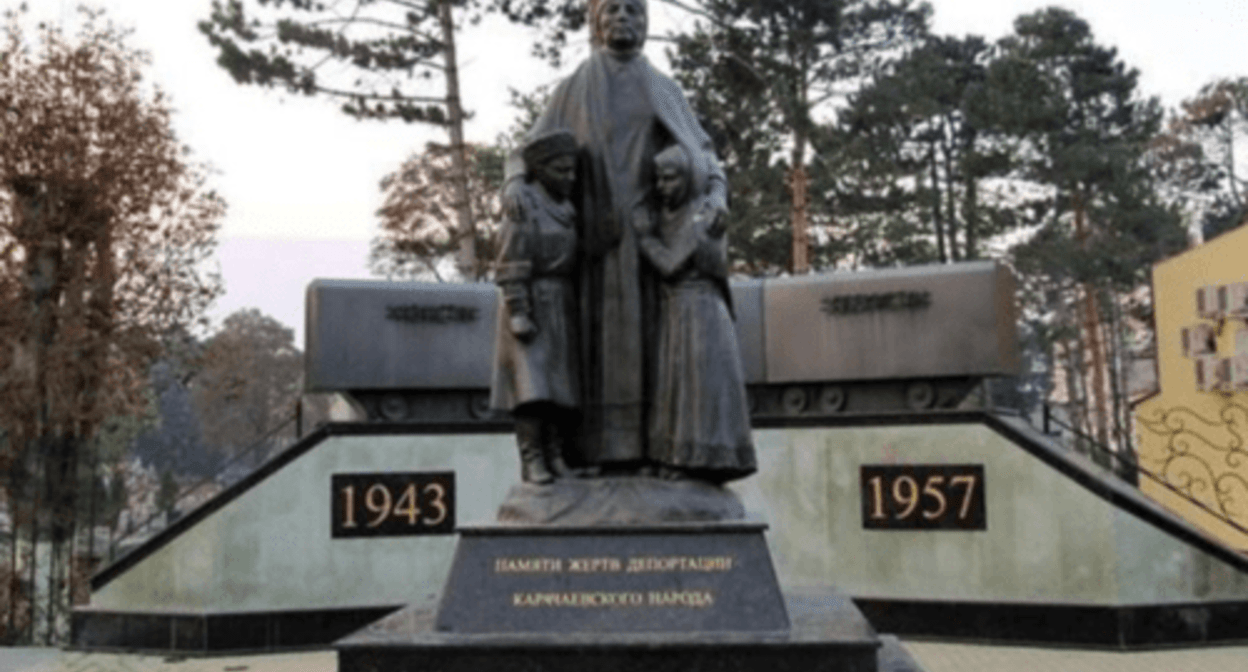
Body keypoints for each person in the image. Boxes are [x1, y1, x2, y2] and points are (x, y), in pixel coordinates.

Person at [502, 0, 728, 471]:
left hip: (649, 246)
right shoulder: (574, 87)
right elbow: (527, 151)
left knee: (652, 353)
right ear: (596, 22)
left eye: (633, 10)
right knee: (584, 358)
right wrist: (513, 182)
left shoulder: (663, 89)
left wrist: (717, 196)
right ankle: (583, 454)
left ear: (646, 23)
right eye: (612, 10)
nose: (623, 18)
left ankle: (654, 451)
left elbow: (704, 154)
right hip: (591, 247)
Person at [635, 145, 755, 483]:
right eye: (658, 179)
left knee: (696, 389)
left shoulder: (704, 215)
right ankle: (672, 457)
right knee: (675, 389)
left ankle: (697, 462)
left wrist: (644, 237)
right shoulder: (668, 213)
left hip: (699, 311)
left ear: (688, 179)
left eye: (670, 178)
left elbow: (670, 265)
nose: (662, 186)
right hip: (676, 310)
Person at [490, 130, 581, 484]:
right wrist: (518, 311)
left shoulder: (566, 207)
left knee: (558, 388)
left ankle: (557, 456)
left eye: (572, 171)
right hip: (530, 301)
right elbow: (509, 261)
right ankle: (533, 459)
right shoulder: (523, 205)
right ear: (540, 170)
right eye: (561, 171)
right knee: (532, 390)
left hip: (561, 301)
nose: (569, 178)